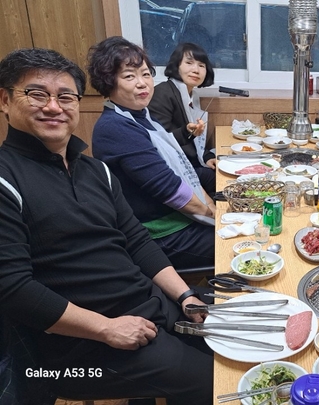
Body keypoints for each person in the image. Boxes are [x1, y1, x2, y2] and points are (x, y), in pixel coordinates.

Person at [0, 48, 211, 404]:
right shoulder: (7, 179)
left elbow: (138, 241)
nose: (53, 106)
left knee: (235, 345)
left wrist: (185, 295)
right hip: (77, 351)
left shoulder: (95, 171)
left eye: (65, 96)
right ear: (5, 100)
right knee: (214, 382)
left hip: (147, 305)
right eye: (37, 94)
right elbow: (13, 289)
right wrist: (107, 328)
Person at [89, 36, 215, 269]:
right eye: (129, 76)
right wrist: (217, 217)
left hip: (179, 218)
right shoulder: (115, 128)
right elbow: (170, 188)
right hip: (161, 234)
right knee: (241, 243)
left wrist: (213, 209)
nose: (142, 83)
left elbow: (185, 173)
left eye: (146, 74)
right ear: (108, 82)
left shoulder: (143, 117)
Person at [148, 42, 216, 194]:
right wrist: (186, 132)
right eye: (189, 63)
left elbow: (195, 141)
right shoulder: (163, 93)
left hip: (189, 162)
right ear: (176, 65)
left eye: (201, 65)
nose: (196, 70)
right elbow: (160, 141)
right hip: (173, 170)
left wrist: (207, 157)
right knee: (222, 179)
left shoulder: (191, 95)